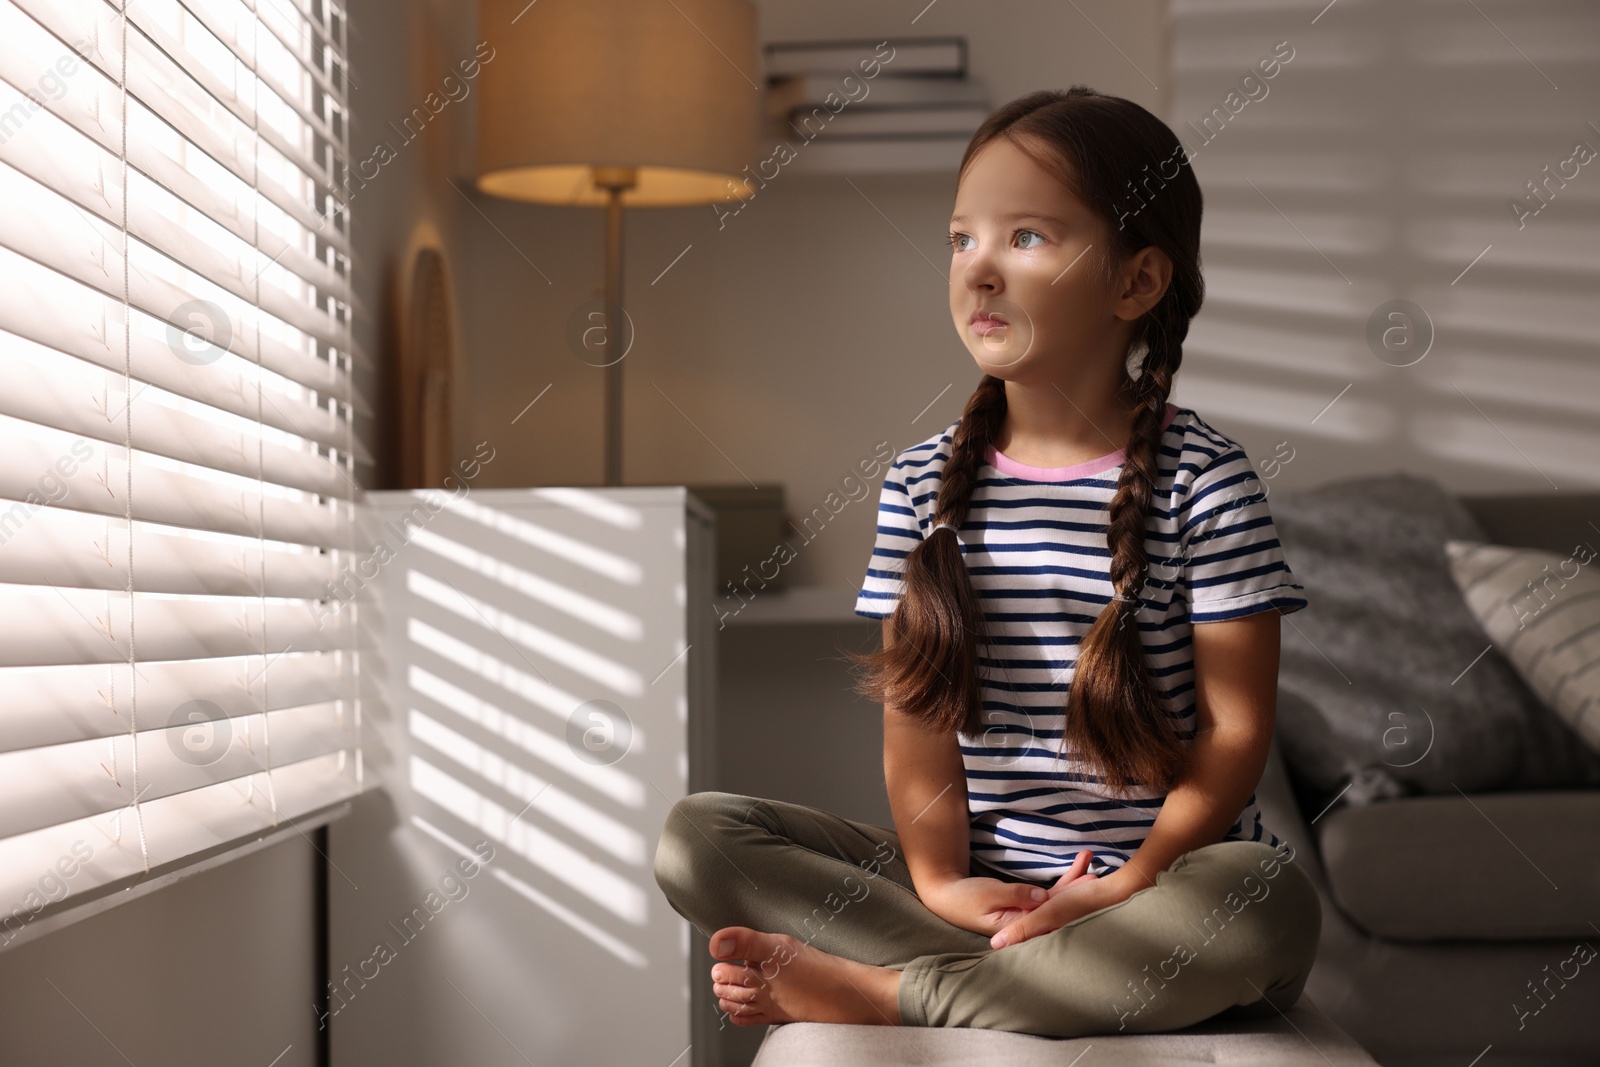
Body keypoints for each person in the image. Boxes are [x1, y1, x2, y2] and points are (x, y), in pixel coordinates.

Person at [652, 85, 1322, 1038]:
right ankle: (1027, 971)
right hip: (978, 897)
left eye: (1028, 238)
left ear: (1137, 283)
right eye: (963, 239)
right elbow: (917, 726)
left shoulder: (1205, 480)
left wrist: (1121, 888)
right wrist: (944, 880)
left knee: (1264, 895)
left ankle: (894, 993)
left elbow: (1233, 736)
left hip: (1163, 893)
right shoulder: (920, 482)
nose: (979, 272)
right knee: (698, 836)